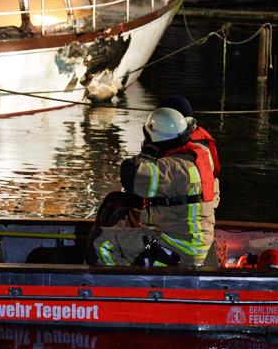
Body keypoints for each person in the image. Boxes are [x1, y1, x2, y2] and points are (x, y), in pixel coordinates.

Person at [91, 107, 217, 267]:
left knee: (101, 242)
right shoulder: (199, 157)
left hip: (178, 245)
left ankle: (125, 286)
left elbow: (130, 174)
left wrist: (148, 153)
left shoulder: (171, 168)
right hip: (195, 242)